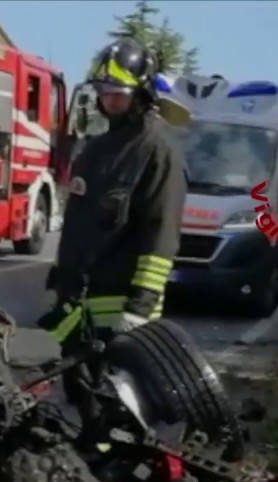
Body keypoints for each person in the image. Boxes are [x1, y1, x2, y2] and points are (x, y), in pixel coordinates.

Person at [40, 37, 187, 346]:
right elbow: (78, 229)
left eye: (117, 94)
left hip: (125, 319)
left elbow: (160, 236)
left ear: (141, 93)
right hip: (78, 310)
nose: (108, 101)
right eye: (103, 93)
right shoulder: (96, 150)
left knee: (119, 394)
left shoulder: (157, 150)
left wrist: (139, 308)